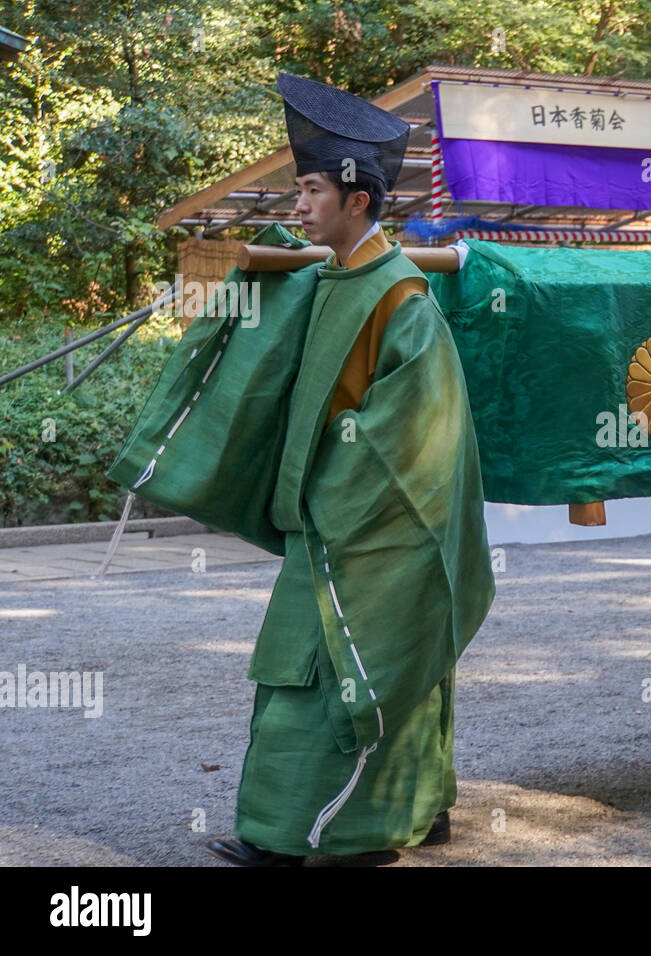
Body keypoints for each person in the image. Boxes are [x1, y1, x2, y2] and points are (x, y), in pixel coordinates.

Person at [145, 73, 495, 865]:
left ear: (358, 199)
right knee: (347, 667)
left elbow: (415, 436)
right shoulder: (328, 278)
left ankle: (308, 835)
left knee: (334, 670)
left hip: (370, 524)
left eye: (309, 191)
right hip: (331, 518)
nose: (297, 208)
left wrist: (332, 491)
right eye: (296, 191)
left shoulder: (402, 297)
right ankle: (416, 806)